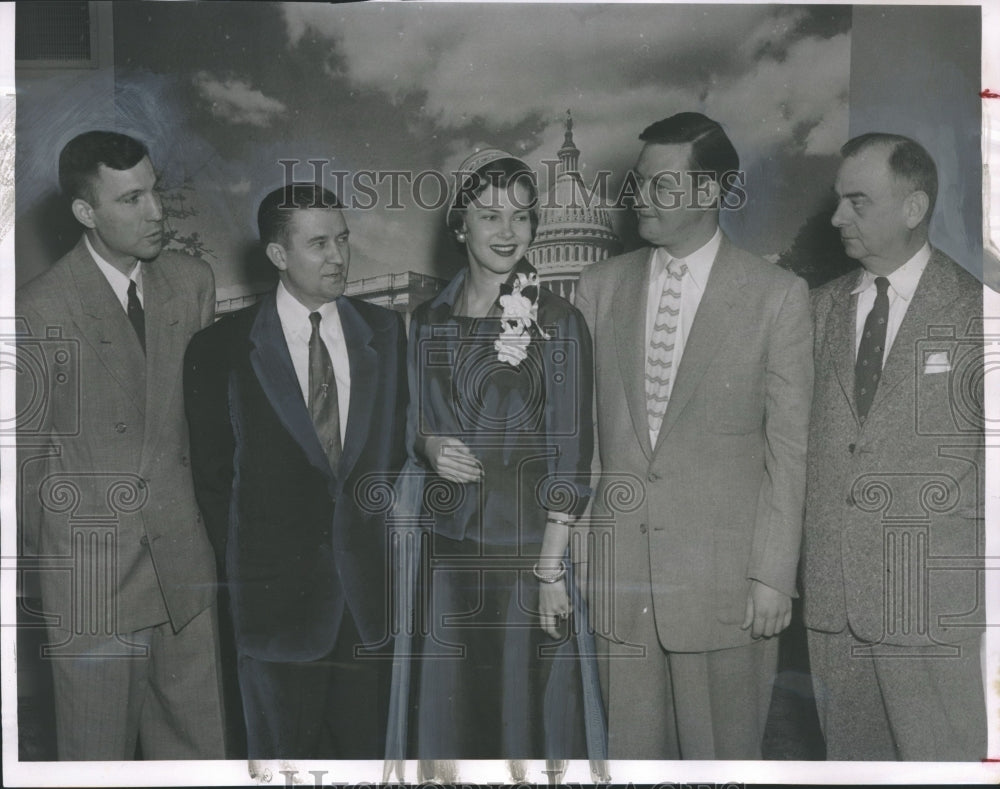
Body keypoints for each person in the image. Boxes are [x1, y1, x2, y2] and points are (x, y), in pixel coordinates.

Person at [575, 112, 813, 759]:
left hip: (726, 589)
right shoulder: (598, 289)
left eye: (657, 184)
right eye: (637, 183)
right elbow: (582, 439)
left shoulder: (777, 297)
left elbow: (789, 451)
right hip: (618, 581)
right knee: (629, 761)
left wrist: (773, 574)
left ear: (708, 192)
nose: (638, 198)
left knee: (722, 760)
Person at [16, 130, 225, 759]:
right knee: (95, 756)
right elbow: (22, 469)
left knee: (200, 756)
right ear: (86, 213)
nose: (156, 212)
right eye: (131, 199)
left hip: (186, 570)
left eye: (154, 191)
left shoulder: (192, 282)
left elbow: (203, 429)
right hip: (93, 581)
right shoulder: (36, 310)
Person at [183, 183, 407, 758]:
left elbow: (397, 458)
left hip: (368, 610)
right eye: (318, 243)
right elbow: (212, 483)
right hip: (274, 615)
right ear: (278, 255)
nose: (338, 256)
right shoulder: (219, 348)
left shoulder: (386, 333)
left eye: (343, 239)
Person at [402, 148, 594, 766]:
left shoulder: (558, 320)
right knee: (451, 728)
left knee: (519, 728)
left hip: (522, 557)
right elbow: (412, 417)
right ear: (460, 226)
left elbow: (571, 451)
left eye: (520, 216)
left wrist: (549, 570)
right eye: (489, 216)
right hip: (446, 554)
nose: (508, 232)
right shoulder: (426, 317)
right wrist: (429, 445)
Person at [802, 133, 986, 760]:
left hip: (933, 614)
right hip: (834, 609)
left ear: (913, 208)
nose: (836, 218)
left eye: (858, 202)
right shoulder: (812, 311)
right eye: (837, 201)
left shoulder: (979, 315)